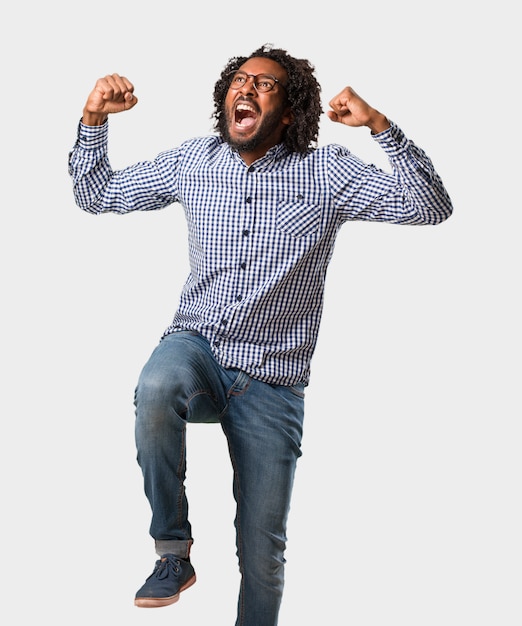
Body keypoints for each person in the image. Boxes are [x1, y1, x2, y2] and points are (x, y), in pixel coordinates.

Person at [68, 44, 452, 625]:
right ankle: (173, 553)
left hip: (273, 381)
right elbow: (96, 193)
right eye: (238, 81)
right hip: (197, 349)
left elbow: (430, 206)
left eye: (264, 85)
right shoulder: (196, 161)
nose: (245, 90)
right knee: (155, 387)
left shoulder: (329, 172)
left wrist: (380, 125)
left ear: (291, 111)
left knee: (263, 558)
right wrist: (93, 117)